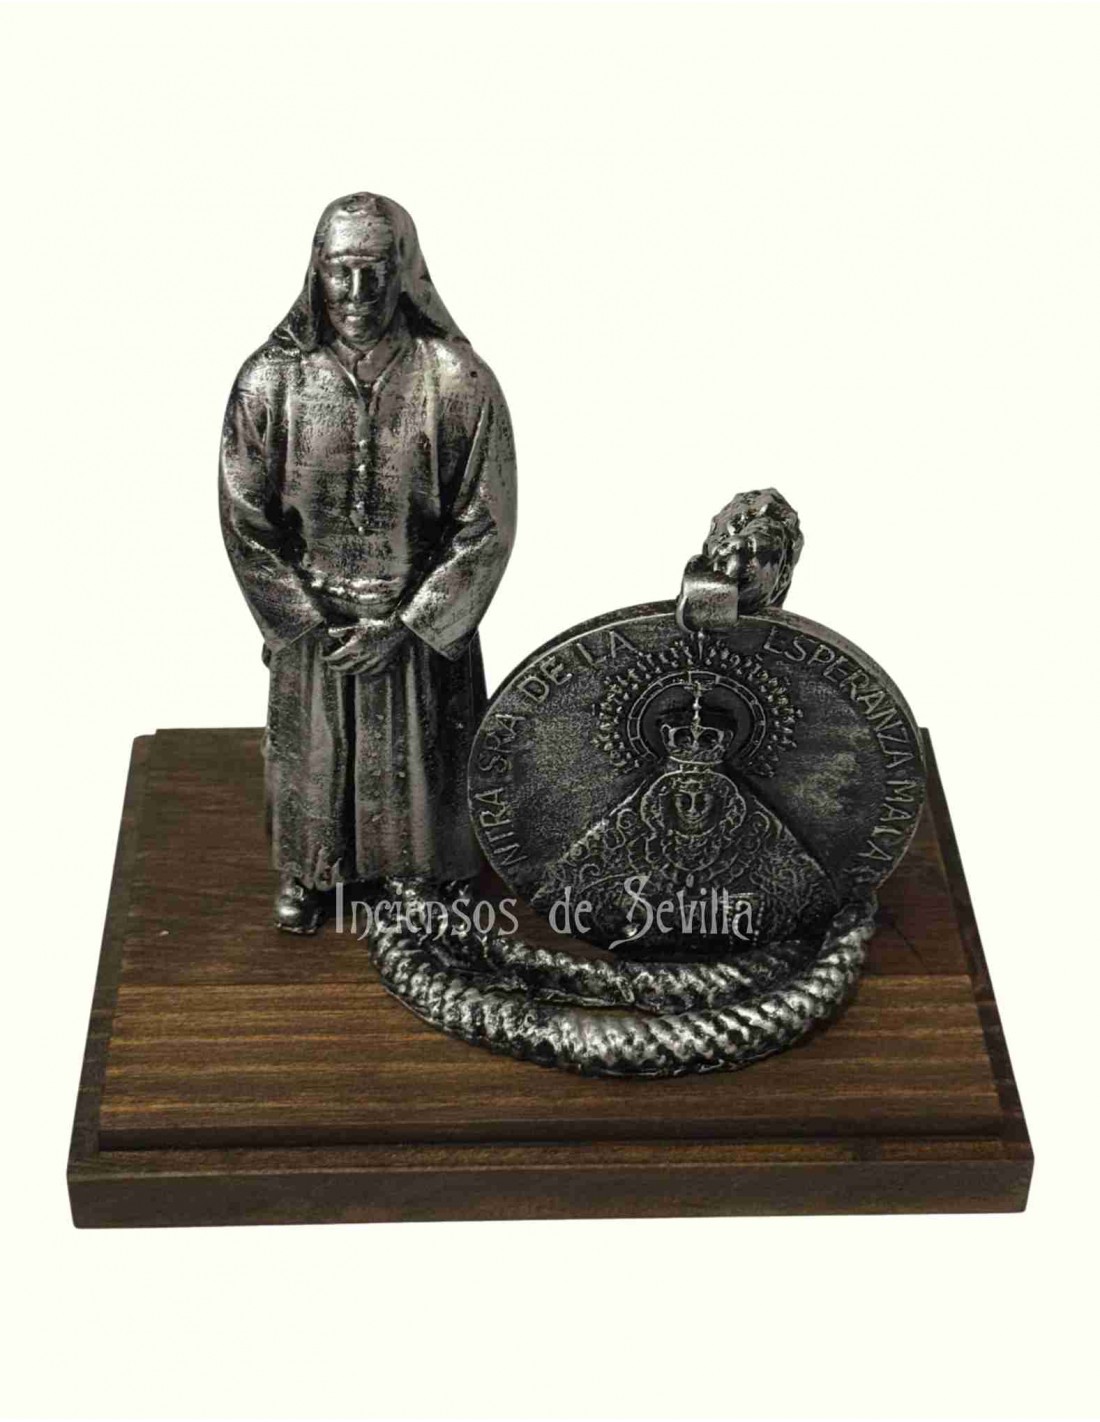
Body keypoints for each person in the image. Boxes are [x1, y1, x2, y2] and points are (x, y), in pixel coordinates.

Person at [220, 193, 517, 931]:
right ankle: (310, 869)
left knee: (417, 759)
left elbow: (486, 522)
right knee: (315, 754)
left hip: (414, 625)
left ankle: (419, 872)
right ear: (315, 271)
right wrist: (301, 619)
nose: (356, 291)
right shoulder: (269, 381)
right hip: (315, 624)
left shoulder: (458, 380)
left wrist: (411, 624)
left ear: (405, 271)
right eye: (340, 269)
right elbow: (245, 519)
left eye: (375, 269)